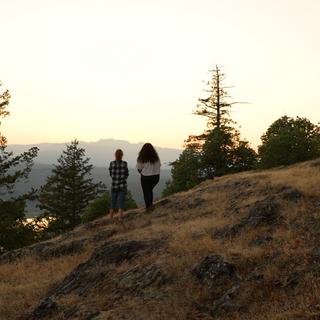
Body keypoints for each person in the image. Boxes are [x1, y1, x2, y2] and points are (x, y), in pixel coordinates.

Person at [136, 143, 161, 212]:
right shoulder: (156, 157)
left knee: (146, 192)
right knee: (149, 191)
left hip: (146, 178)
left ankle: (148, 208)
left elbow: (139, 168)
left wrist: (142, 172)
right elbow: (159, 165)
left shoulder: (141, 158)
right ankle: (150, 206)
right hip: (156, 177)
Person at [108, 149, 129, 220]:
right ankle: (120, 219)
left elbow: (110, 174)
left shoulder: (111, 163)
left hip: (114, 186)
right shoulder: (124, 163)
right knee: (121, 203)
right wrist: (122, 179)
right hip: (122, 186)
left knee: (112, 203)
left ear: (115, 155)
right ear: (122, 155)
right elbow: (127, 174)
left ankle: (110, 219)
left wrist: (115, 179)